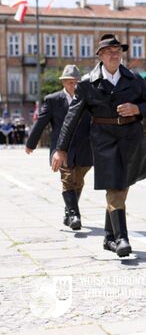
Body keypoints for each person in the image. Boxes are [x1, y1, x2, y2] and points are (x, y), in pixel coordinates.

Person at [51, 34, 146, 257]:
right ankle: (122, 238)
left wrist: (137, 110)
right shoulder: (88, 83)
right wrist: (61, 148)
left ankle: (109, 237)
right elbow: (72, 116)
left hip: (130, 139)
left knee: (122, 186)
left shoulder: (134, 79)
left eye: (118, 50)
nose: (115, 54)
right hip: (104, 141)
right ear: (100, 55)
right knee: (115, 187)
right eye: (109, 51)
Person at [26, 65, 92, 230]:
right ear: (63, 82)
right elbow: (41, 122)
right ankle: (75, 215)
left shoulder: (89, 99)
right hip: (62, 149)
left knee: (78, 181)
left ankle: (68, 212)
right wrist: (31, 143)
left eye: (75, 82)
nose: (72, 85)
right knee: (67, 179)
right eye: (68, 82)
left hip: (85, 147)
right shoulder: (53, 100)